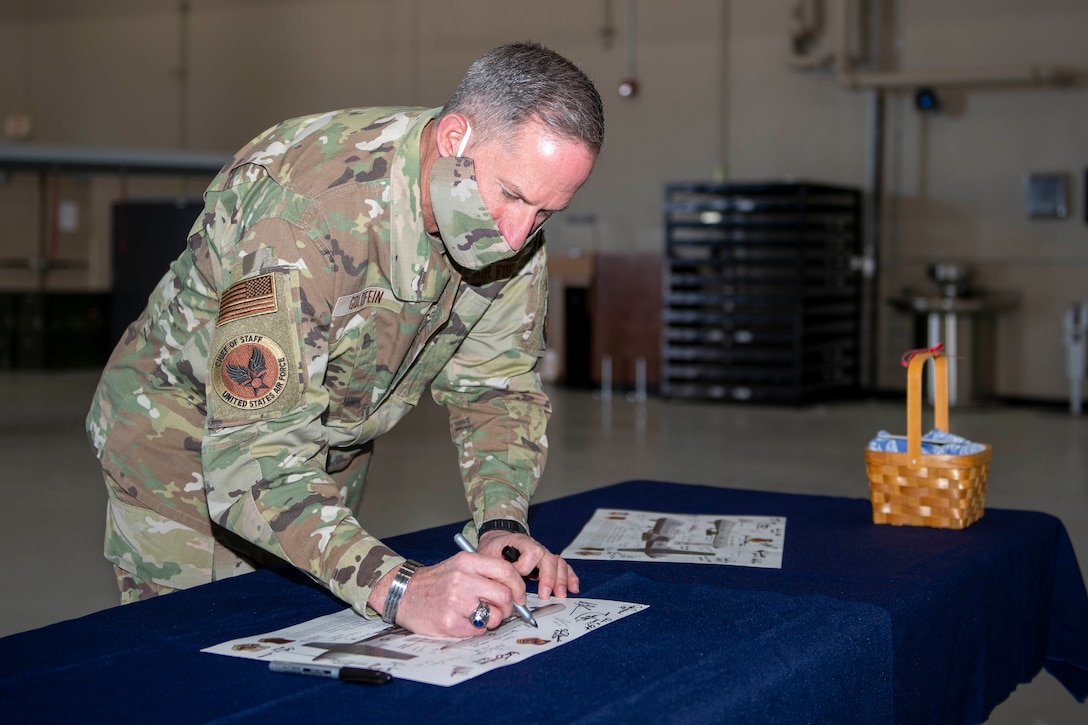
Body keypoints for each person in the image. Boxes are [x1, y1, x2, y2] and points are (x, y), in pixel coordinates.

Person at [86, 41, 604, 638]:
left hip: (320, 454)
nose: (517, 237)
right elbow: (252, 456)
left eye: (545, 213)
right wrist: (403, 586)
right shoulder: (306, 214)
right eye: (512, 195)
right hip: (183, 447)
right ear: (454, 137)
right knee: (193, 660)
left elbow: (496, 389)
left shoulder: (510, 234)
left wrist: (503, 526)